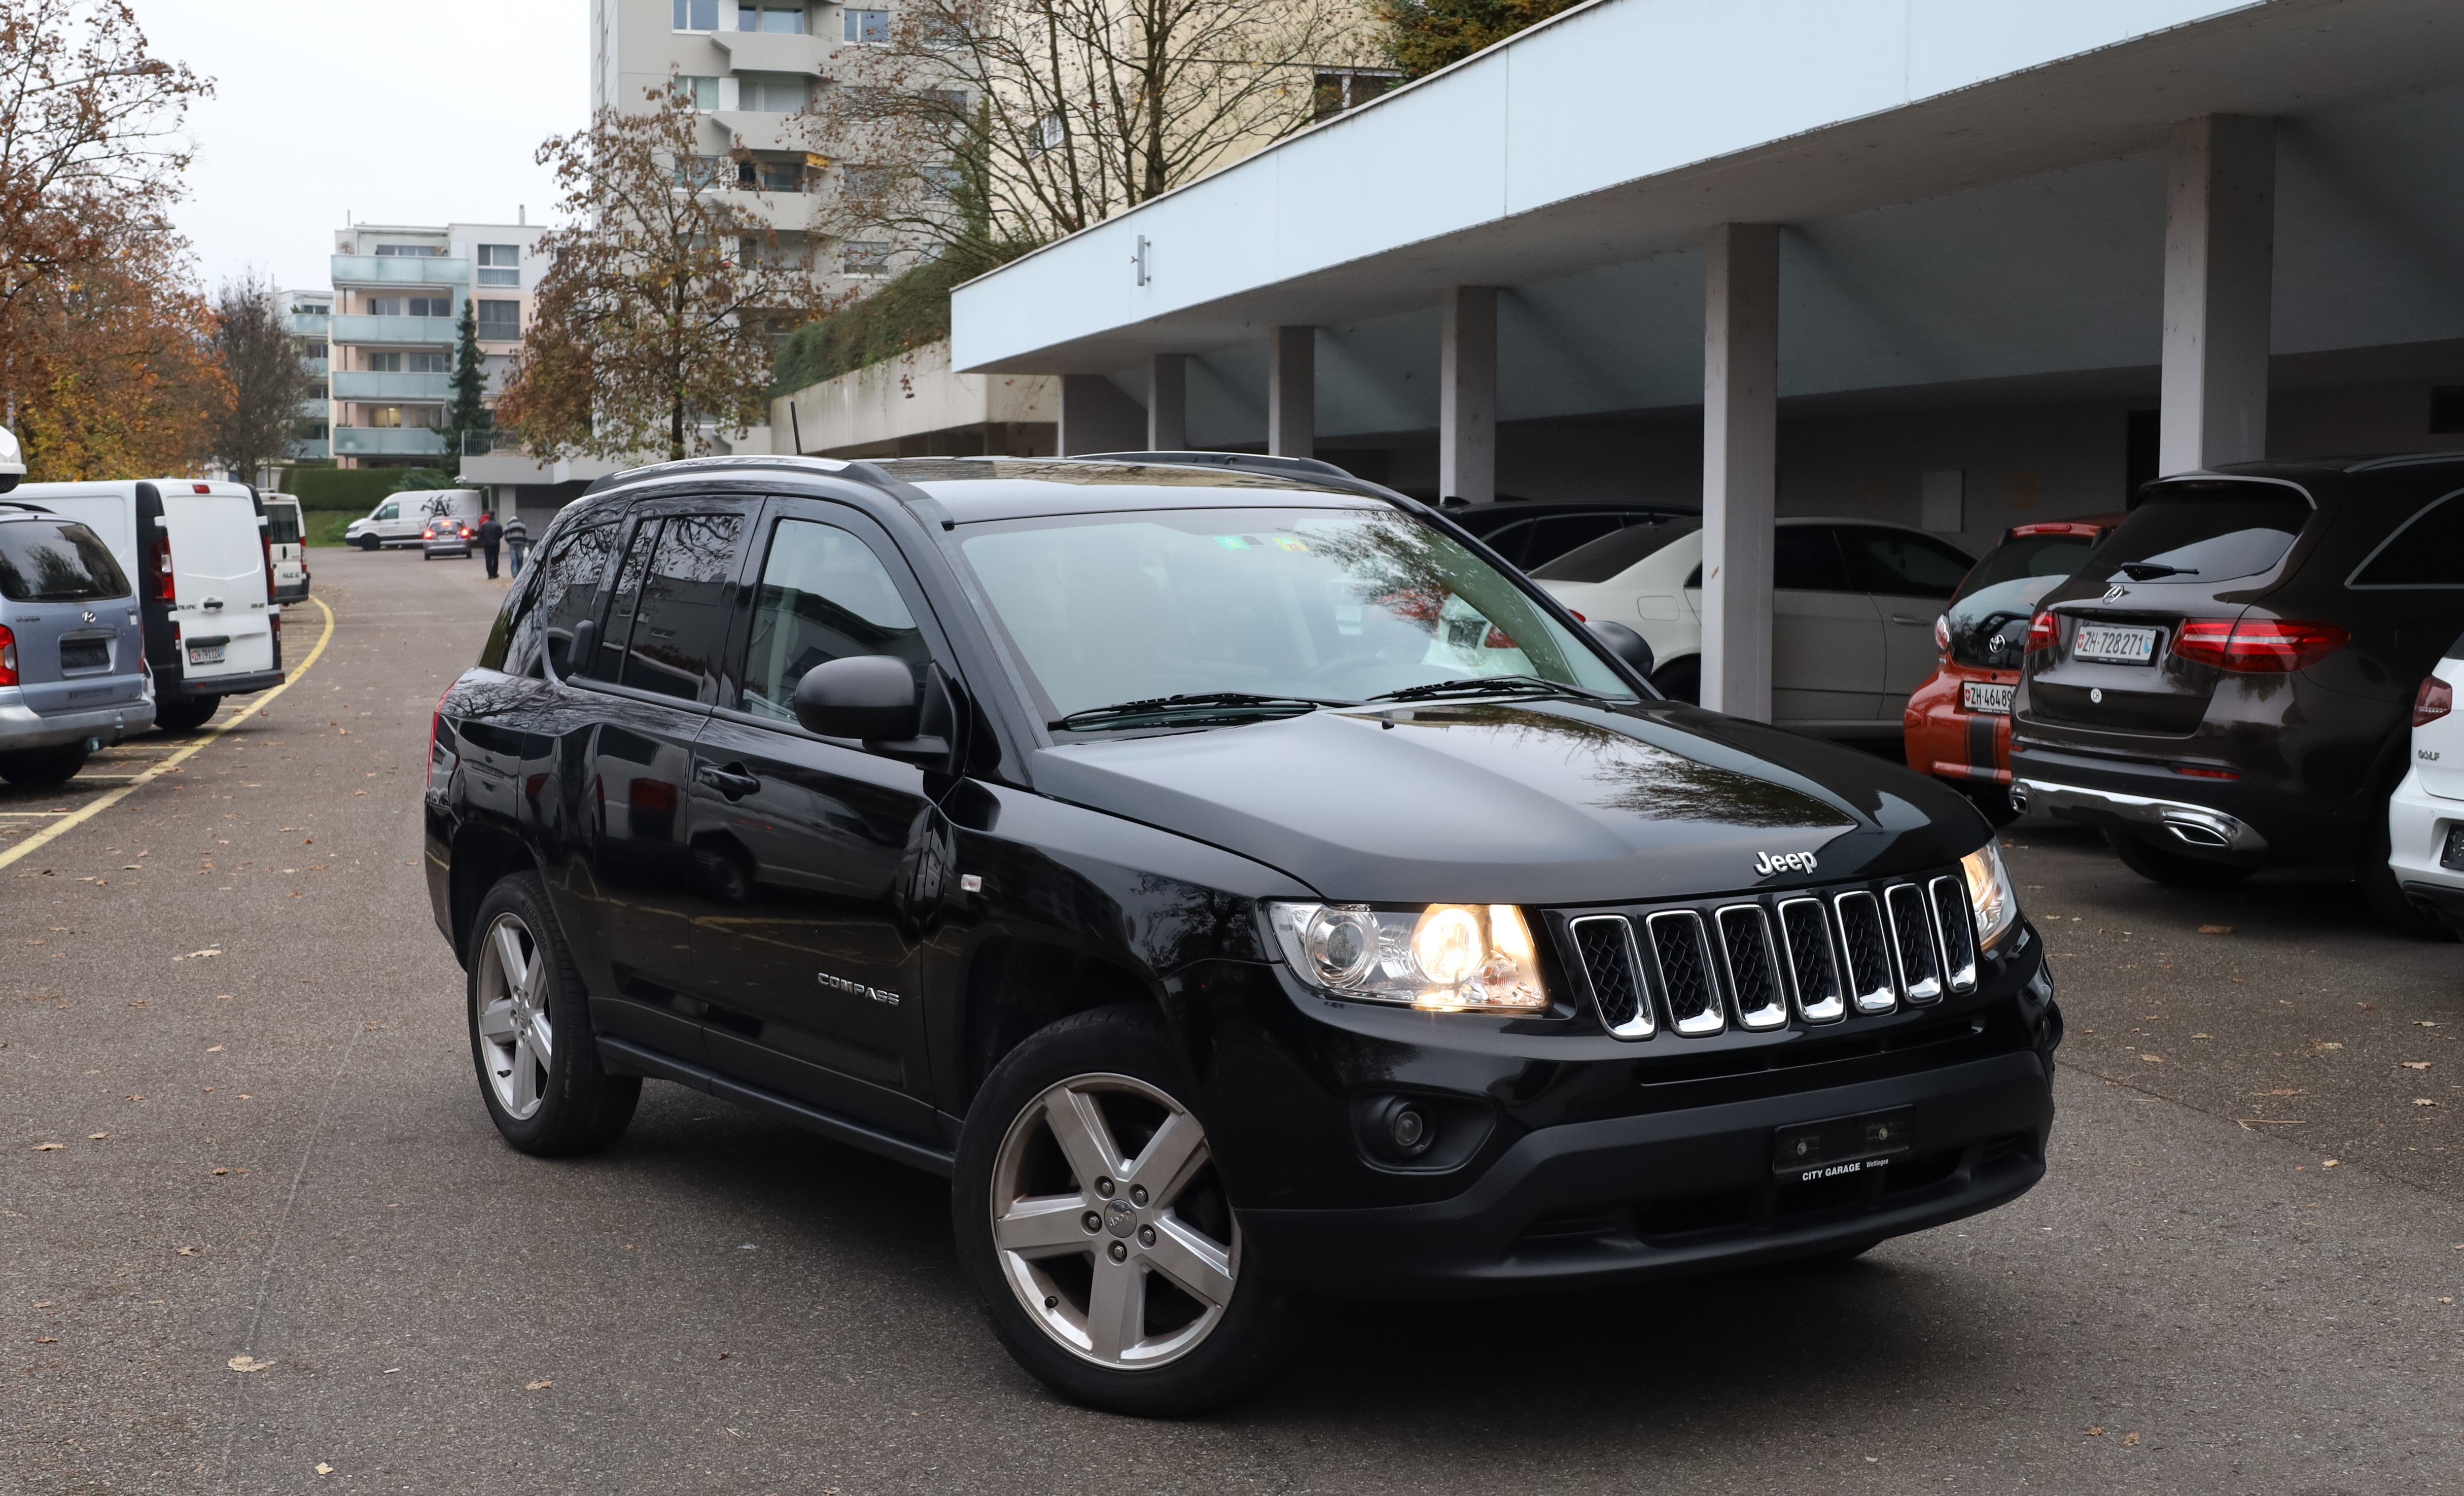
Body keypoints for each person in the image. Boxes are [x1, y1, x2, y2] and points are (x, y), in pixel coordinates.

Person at [474, 512, 503, 579]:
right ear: (494, 517)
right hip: (496, 544)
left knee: (488, 559)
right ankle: (495, 573)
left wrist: (483, 540)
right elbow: (501, 534)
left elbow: (480, 534)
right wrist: (497, 539)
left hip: (487, 544)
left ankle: (490, 574)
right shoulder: (498, 525)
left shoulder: (484, 525)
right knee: (496, 559)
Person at [503, 511, 530, 576]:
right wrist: (525, 541)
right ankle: (520, 574)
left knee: (514, 559)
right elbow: (525, 534)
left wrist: (508, 540)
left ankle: (515, 574)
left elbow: (505, 533)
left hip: (512, 543)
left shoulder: (509, 524)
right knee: (520, 559)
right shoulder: (522, 523)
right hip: (520, 543)